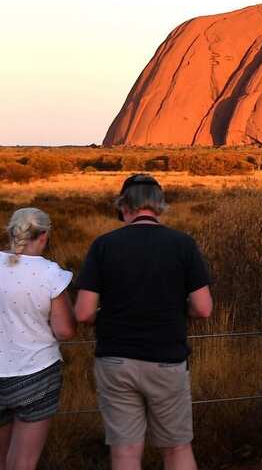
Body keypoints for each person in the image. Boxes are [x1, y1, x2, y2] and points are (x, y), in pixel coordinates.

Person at [74, 174, 213, 470]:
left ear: (124, 207)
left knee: (125, 453)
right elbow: (203, 309)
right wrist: (177, 309)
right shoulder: (182, 244)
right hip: (166, 361)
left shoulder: (103, 245)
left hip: (115, 361)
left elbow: (84, 312)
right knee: (176, 448)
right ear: (159, 207)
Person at [1, 208, 75, 470]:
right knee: (23, 462)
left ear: (11, 231)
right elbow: (65, 331)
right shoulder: (51, 274)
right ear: (44, 236)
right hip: (36, 374)